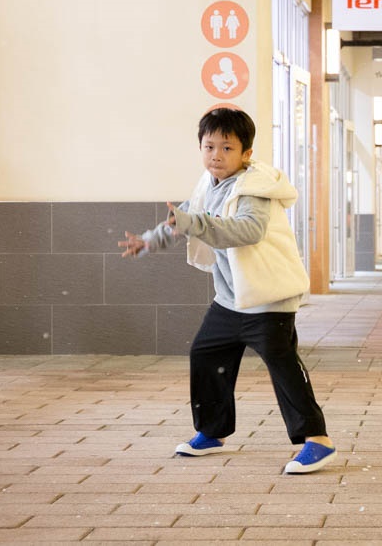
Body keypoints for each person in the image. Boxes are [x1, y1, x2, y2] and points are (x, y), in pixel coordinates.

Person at [117, 108, 336, 474]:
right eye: (209, 147)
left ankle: (317, 440)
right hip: (232, 299)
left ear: (246, 154)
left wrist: (195, 223)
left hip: (268, 298)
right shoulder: (208, 184)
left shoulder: (255, 189)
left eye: (226, 148)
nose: (215, 155)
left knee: (283, 368)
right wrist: (149, 241)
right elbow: (183, 219)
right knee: (206, 354)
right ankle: (213, 432)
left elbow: (247, 230)